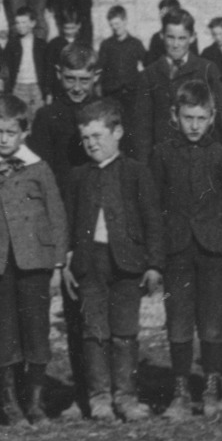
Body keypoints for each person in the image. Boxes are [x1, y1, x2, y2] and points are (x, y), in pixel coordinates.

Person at [143, 77, 222, 418]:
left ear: (212, 117)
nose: (194, 125)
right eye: (188, 117)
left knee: (213, 322)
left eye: (201, 118)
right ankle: (180, 390)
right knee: (178, 320)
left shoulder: (221, 155)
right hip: (177, 251)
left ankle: (212, 386)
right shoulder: (161, 154)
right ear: (175, 116)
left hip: (214, 249)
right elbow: (154, 209)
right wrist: (155, 260)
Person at [0, 100, 67, 424]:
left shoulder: (39, 168)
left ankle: (35, 402)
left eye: (11, 132)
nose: (4, 139)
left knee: (36, 332)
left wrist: (56, 266)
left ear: (24, 132)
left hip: (34, 264)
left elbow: (56, 216)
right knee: (4, 335)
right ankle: (10, 404)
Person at [59, 102, 150, 422]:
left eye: (98, 135)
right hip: (89, 263)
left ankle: (126, 396)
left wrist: (153, 264)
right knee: (93, 330)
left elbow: (151, 219)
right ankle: (99, 398)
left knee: (125, 332)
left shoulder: (136, 172)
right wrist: (66, 261)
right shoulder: (77, 176)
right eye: (85, 138)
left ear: (118, 133)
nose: (92, 143)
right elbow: (67, 221)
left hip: (126, 262)